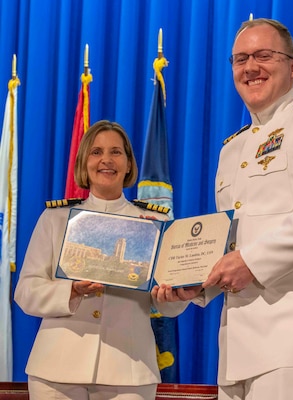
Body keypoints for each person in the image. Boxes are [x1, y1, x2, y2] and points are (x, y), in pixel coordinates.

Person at [152, 18, 293, 400]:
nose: (251, 67)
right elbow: (232, 246)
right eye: (240, 59)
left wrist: (250, 261)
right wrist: (194, 286)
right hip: (238, 342)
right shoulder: (231, 148)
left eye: (264, 56)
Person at [15, 120, 188, 400]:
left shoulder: (156, 223)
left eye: (116, 152)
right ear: (84, 163)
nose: (106, 160)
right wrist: (70, 291)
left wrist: (176, 295)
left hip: (129, 371)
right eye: (96, 152)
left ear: (129, 164)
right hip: (56, 371)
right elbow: (25, 292)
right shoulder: (55, 219)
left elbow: (167, 306)